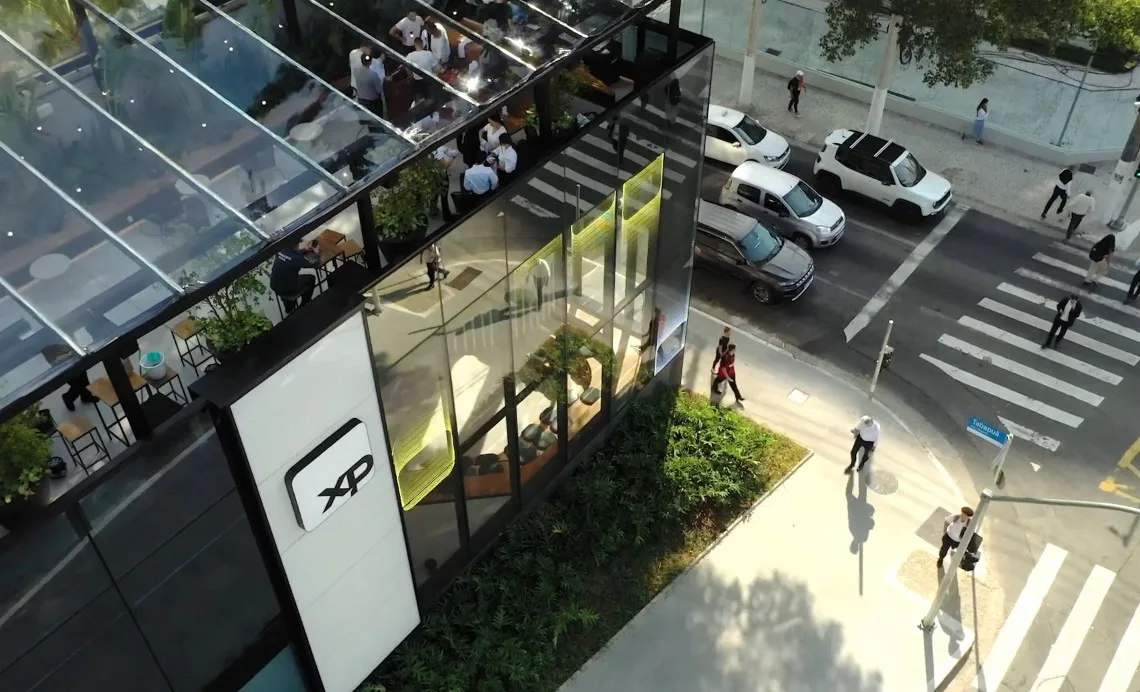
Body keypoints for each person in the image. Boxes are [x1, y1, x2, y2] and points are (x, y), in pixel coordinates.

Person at [42, 345, 99, 412]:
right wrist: (69, 354)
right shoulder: (47, 348)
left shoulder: (60, 340)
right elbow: (54, 360)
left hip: (75, 361)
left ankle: (85, 396)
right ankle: (69, 397)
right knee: (77, 384)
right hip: (65, 368)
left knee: (83, 379)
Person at [270, 240, 320, 314]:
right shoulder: (296, 259)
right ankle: (305, 303)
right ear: (295, 246)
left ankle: (289, 307)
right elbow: (313, 264)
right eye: (298, 244)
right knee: (311, 278)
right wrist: (316, 253)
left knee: (286, 278)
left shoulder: (281, 251)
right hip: (288, 287)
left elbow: (291, 256)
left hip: (275, 285)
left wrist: (305, 250)